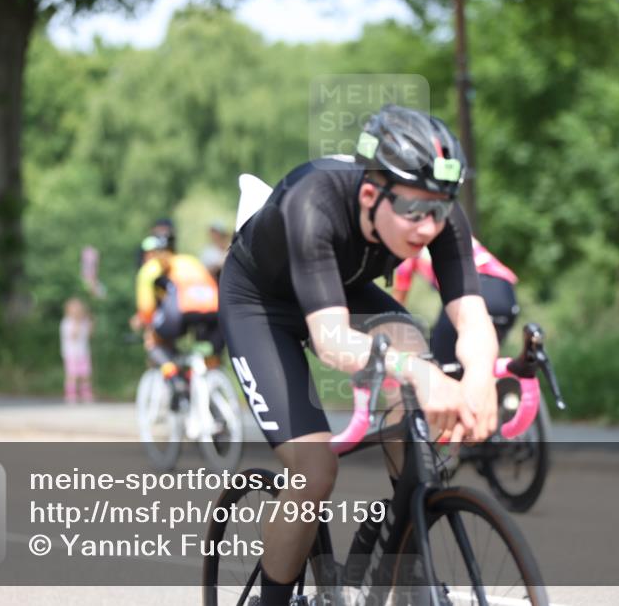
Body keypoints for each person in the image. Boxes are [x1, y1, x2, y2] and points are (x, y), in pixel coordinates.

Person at [220, 104, 499, 606]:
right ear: (370, 194)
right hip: (261, 304)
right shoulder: (313, 203)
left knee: (426, 429)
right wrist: (421, 374)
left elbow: (471, 314)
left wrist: (478, 379)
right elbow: (332, 341)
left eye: (438, 210)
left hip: (341, 288)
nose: (427, 227)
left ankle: (402, 551)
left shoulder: (437, 211)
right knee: (314, 470)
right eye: (414, 211)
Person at [393, 236, 520, 367]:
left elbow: (398, 300)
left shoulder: (410, 244)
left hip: (470, 290)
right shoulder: (453, 230)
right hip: (505, 296)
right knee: (482, 365)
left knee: (440, 364)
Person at [132, 230, 222, 388]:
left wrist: (145, 322)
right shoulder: (192, 261)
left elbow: (146, 309)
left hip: (183, 311)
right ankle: (201, 377)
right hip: (215, 311)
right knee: (206, 352)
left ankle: (174, 377)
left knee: (153, 340)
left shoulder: (151, 268)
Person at [60, 298, 94, 403]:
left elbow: (89, 335)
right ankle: (71, 395)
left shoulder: (84, 322)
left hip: (83, 352)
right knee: (72, 375)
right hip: (71, 353)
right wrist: (77, 323)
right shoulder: (67, 322)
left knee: (85, 375)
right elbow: (73, 335)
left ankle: (86, 394)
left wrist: (91, 323)